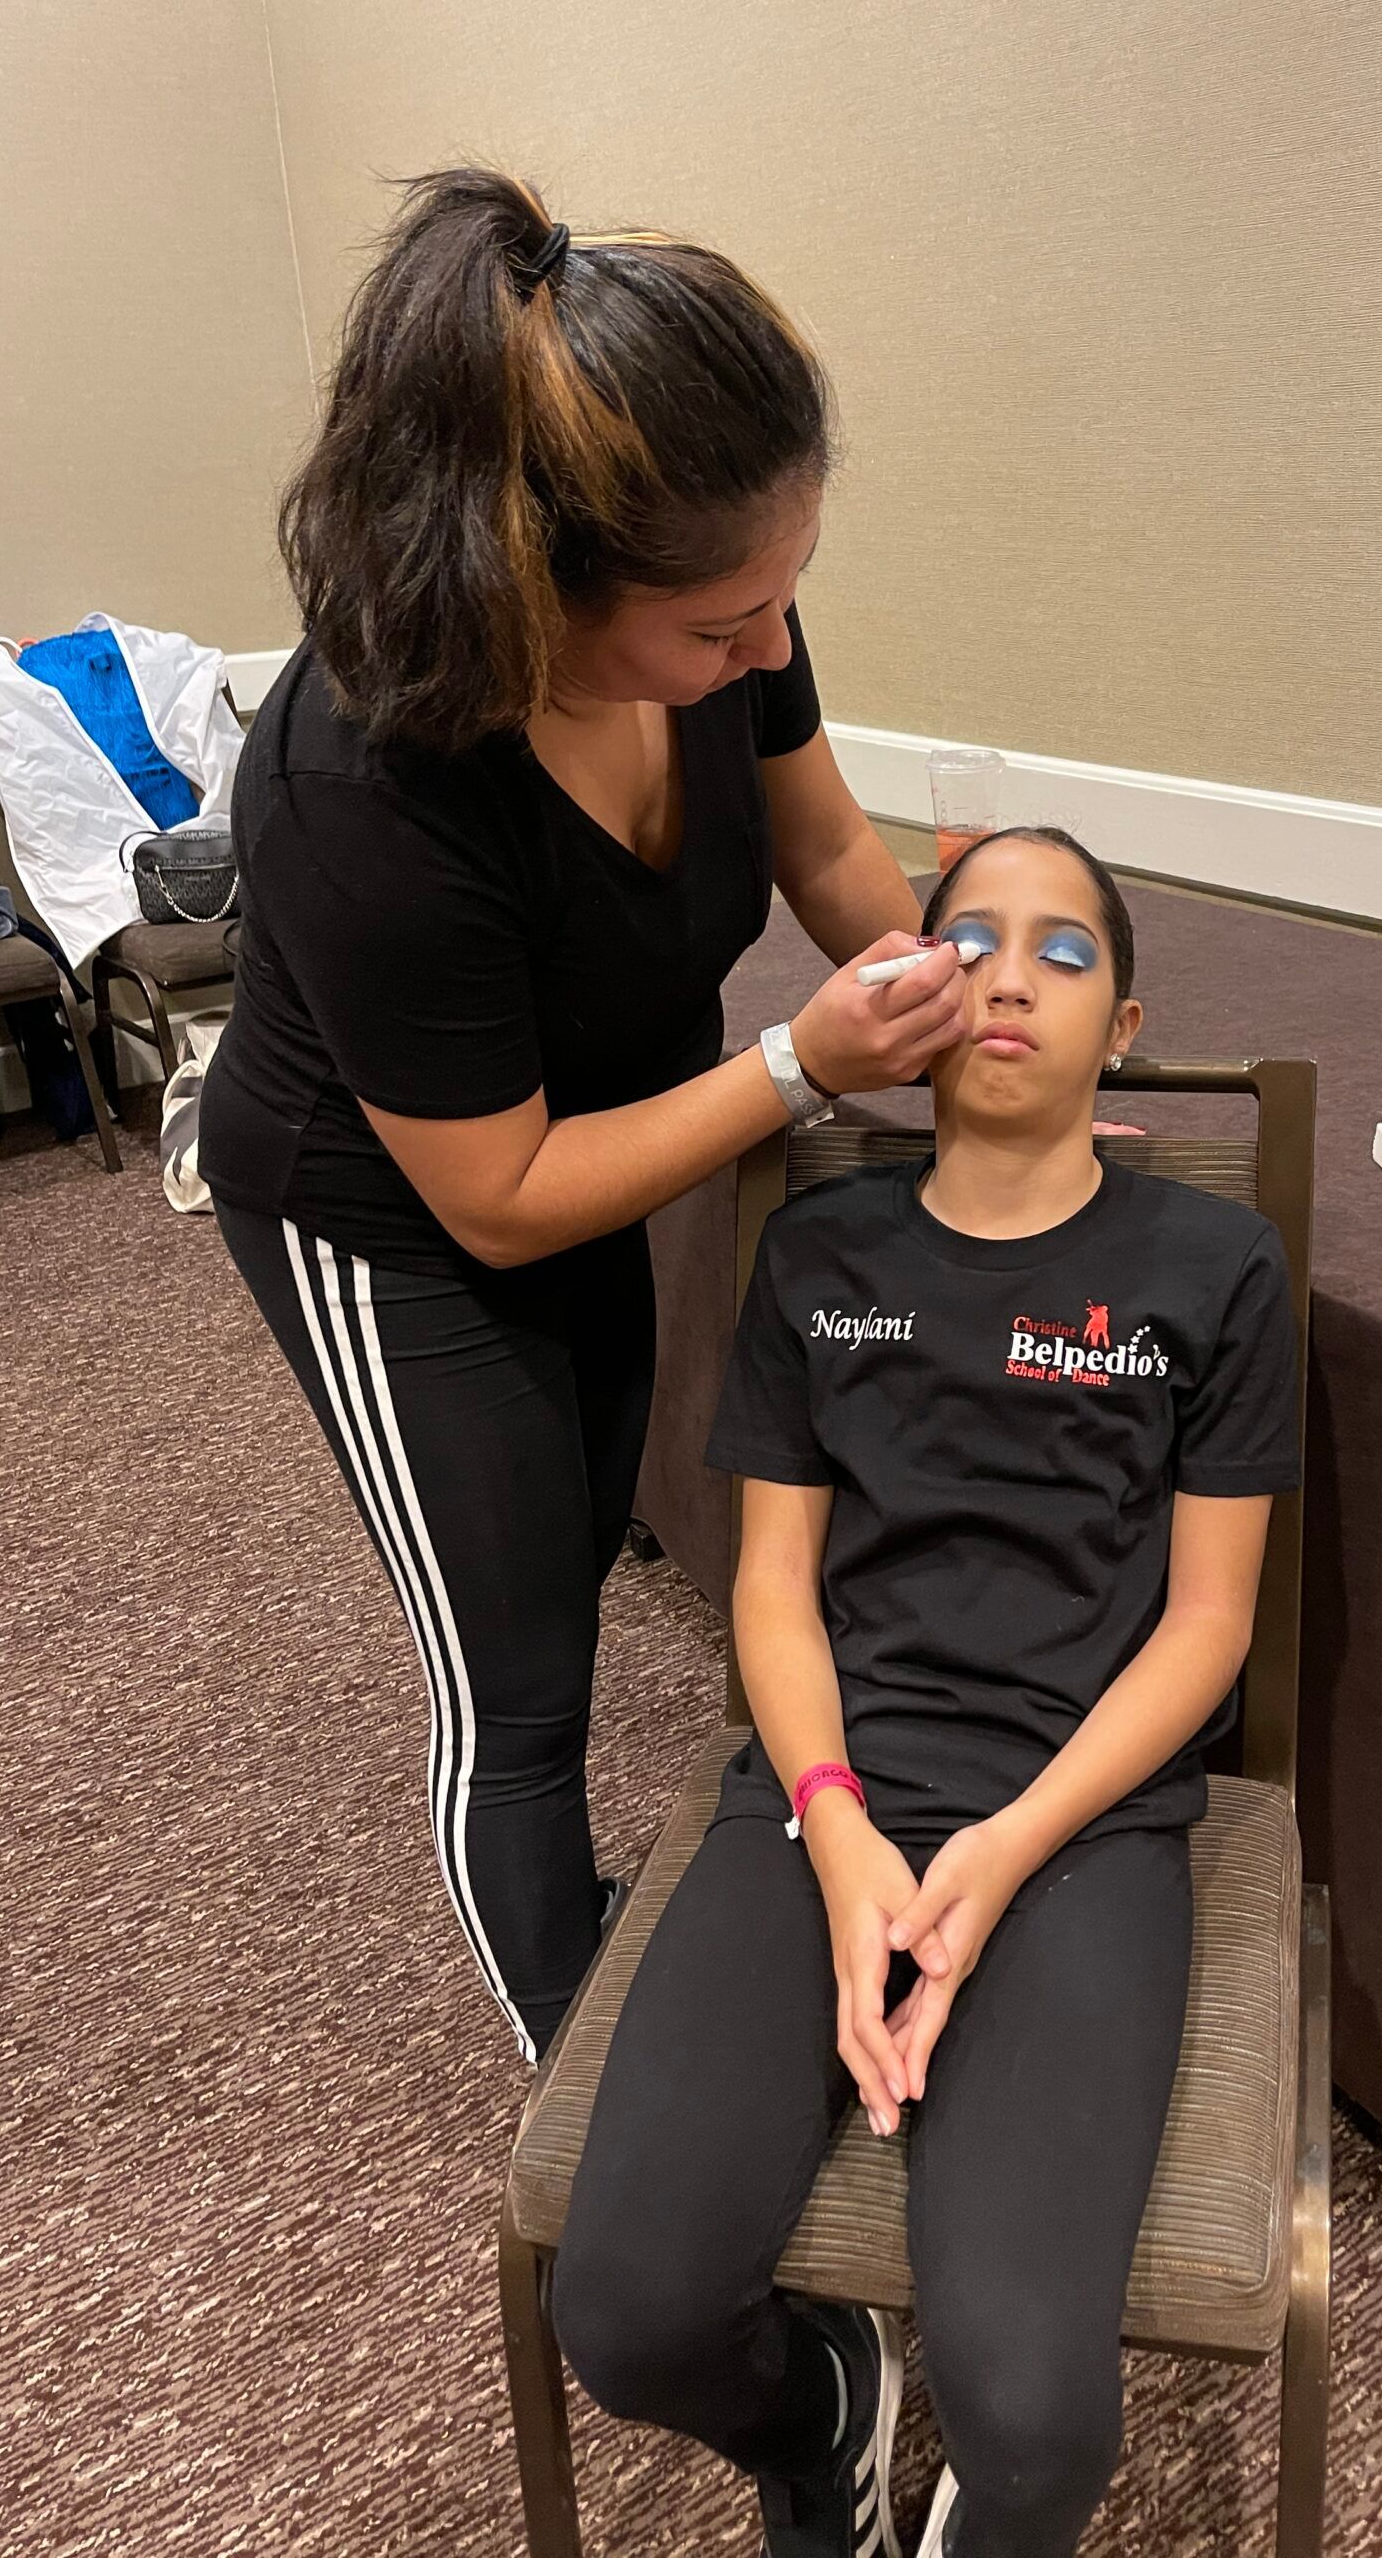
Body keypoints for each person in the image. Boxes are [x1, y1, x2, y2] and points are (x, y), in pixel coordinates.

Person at [198, 166, 970, 2062]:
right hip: (391, 1216)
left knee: (592, 1496)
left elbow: (826, 847)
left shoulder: (723, 609)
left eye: (784, 600)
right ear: (533, 591)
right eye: (722, 627)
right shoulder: (362, 780)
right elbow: (504, 1197)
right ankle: (587, 2090)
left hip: (596, 1140)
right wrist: (803, 1065)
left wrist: (964, 1016)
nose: (768, 653)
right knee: (519, 1668)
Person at [551, 828, 1300, 2558]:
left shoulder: (1213, 1268)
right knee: (633, 2315)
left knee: (1035, 2423)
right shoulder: (824, 1254)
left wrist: (1009, 1846)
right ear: (913, 993)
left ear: (1123, 1027)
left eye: (1065, 951)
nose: (1013, 976)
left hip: (1086, 1816)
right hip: (823, 1789)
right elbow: (771, 1589)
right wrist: (835, 1834)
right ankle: (824, 2411)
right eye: (972, 940)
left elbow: (1207, 1627)